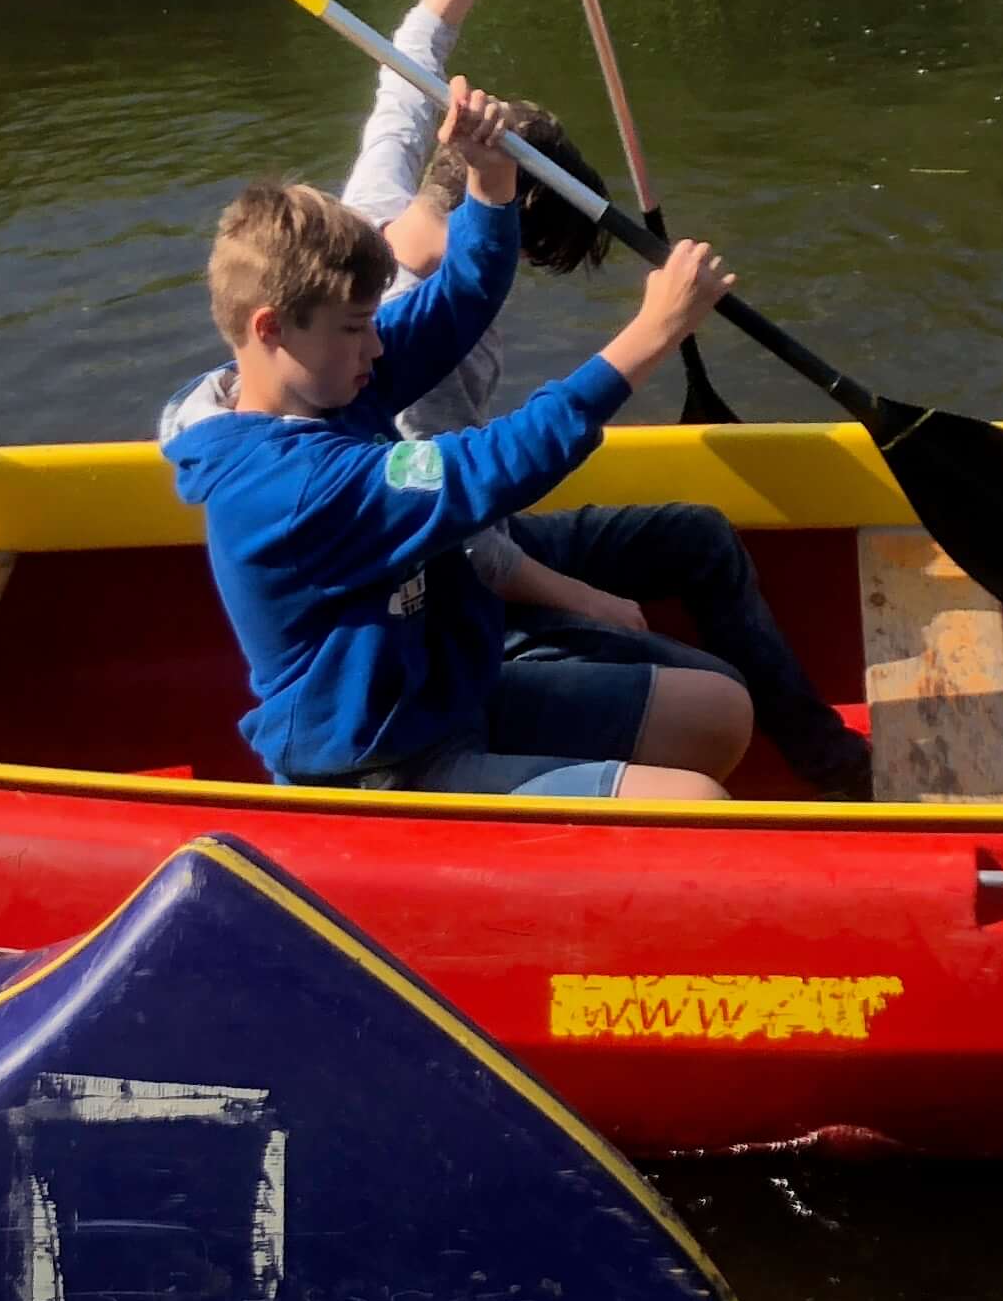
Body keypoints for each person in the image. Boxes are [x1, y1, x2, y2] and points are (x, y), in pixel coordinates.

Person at [285, 0, 876, 798]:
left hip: (487, 522)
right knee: (682, 668)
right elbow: (463, 541)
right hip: (454, 574)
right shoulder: (386, 342)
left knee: (700, 540)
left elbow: (410, 51)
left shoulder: (379, 198)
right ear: (505, 222)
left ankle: (831, 763)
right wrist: (585, 598)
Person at [162, 83, 751, 798]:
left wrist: (489, 178)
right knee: (694, 804)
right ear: (271, 328)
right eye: (355, 329)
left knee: (720, 713)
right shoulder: (293, 484)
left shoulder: (320, 381)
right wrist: (653, 333)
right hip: (384, 768)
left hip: (447, 696)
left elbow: (457, 301)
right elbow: (487, 467)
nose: (377, 348)